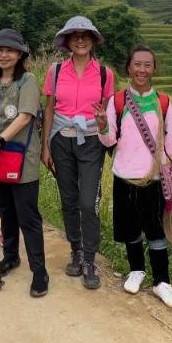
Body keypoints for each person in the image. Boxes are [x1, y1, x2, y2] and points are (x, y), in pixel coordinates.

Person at [96, 45, 172, 310]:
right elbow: (109, 139)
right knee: (130, 229)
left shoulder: (163, 102)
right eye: (137, 64)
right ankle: (136, 270)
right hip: (125, 176)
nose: (142, 69)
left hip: (156, 179)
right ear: (129, 67)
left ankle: (162, 281)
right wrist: (102, 124)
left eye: (147, 64)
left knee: (157, 231)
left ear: (154, 69)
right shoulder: (117, 101)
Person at [41, 15, 114, 290]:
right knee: (69, 199)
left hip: (92, 142)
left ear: (93, 40)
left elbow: (107, 113)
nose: (80, 39)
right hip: (61, 141)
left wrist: (104, 123)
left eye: (86, 35)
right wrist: (46, 144)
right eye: (75, 36)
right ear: (68, 42)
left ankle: (91, 258)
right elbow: (49, 108)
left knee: (88, 202)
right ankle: (76, 250)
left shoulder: (105, 73)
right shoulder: (55, 71)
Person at [0, 29, 48, 297]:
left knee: (28, 216)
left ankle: (39, 271)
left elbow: (26, 116)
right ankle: (11, 256)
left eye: (10, 50)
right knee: (5, 210)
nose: (3, 55)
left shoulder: (27, 81)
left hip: (23, 158)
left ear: (19, 55)